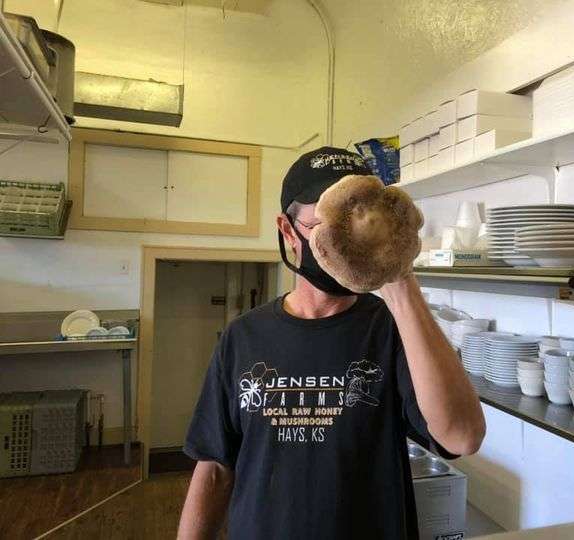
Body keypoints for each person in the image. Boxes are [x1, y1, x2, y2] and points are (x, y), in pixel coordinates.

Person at [178, 147, 485, 540]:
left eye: (354, 226)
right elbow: (215, 469)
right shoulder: (243, 337)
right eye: (327, 225)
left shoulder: (393, 329)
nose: (343, 243)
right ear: (288, 232)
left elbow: (462, 435)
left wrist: (398, 277)